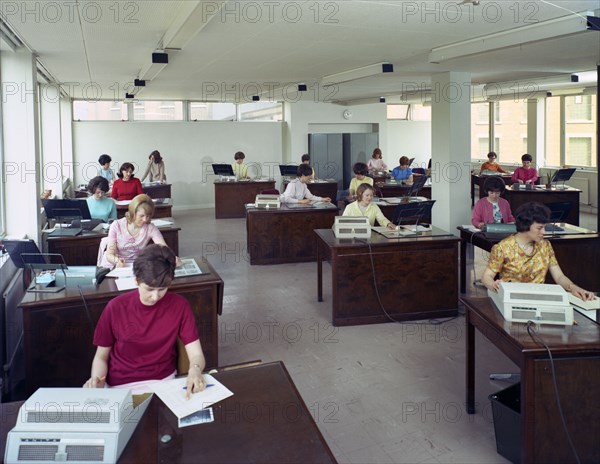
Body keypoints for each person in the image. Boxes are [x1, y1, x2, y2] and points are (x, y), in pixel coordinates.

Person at [84, 244, 207, 397]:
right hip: (121, 385)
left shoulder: (180, 305)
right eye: (149, 289)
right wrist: (96, 380)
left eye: (162, 289)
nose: (155, 297)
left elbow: (196, 354)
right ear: (136, 280)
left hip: (164, 381)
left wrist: (195, 369)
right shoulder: (115, 308)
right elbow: (101, 357)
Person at [482, 202, 596, 301]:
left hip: (539, 298)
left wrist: (574, 288)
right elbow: (486, 276)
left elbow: (559, 277)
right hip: (511, 299)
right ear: (525, 225)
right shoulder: (503, 248)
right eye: (539, 228)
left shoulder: (545, 245)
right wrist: (493, 284)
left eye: (544, 227)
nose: (544, 232)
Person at [101, 194, 173, 268]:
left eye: (148, 216)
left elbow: (164, 248)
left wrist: (173, 258)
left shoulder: (150, 228)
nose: (145, 220)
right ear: (133, 213)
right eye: (141, 216)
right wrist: (117, 261)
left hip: (134, 266)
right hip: (113, 265)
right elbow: (109, 255)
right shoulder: (116, 225)